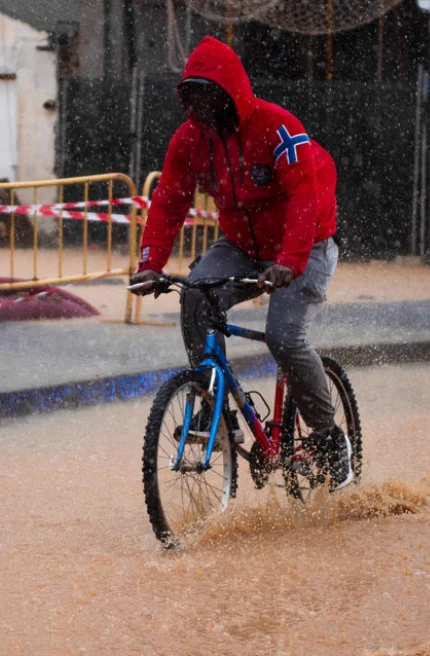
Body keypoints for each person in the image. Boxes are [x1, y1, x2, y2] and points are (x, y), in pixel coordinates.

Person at [129, 37, 351, 490]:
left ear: (231, 92)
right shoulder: (189, 139)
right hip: (242, 246)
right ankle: (213, 410)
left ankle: (330, 439)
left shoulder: (279, 129)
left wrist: (289, 261)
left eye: (208, 93)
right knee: (194, 295)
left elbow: (304, 199)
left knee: (283, 336)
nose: (199, 105)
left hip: (307, 244)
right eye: (191, 95)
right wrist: (150, 263)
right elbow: (169, 200)